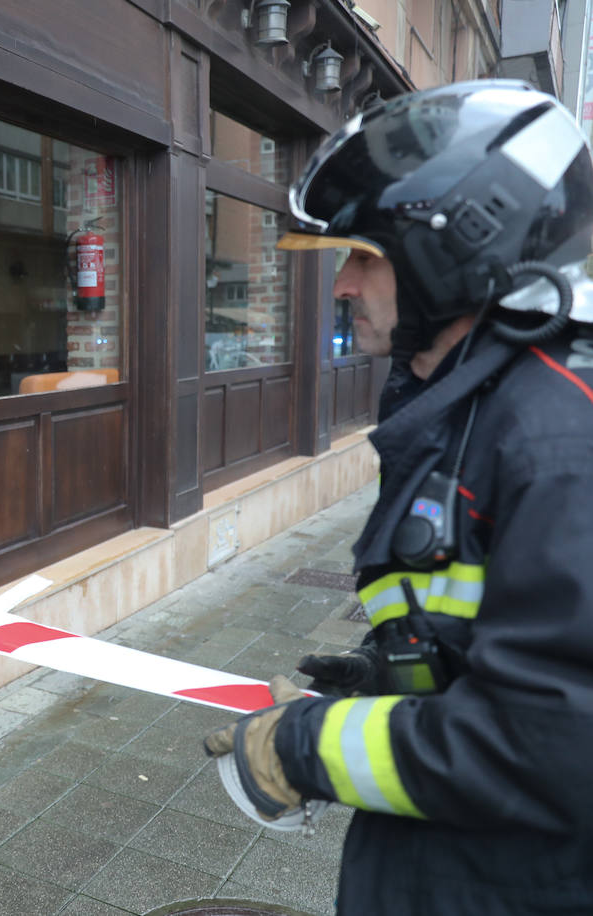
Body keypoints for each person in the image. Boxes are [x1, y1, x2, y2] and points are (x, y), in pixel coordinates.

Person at [205, 80, 593, 914]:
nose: (342, 286)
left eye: (365, 256)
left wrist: (303, 748)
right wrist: (392, 673)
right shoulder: (478, 403)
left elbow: (551, 746)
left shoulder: (559, 444)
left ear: (455, 250)